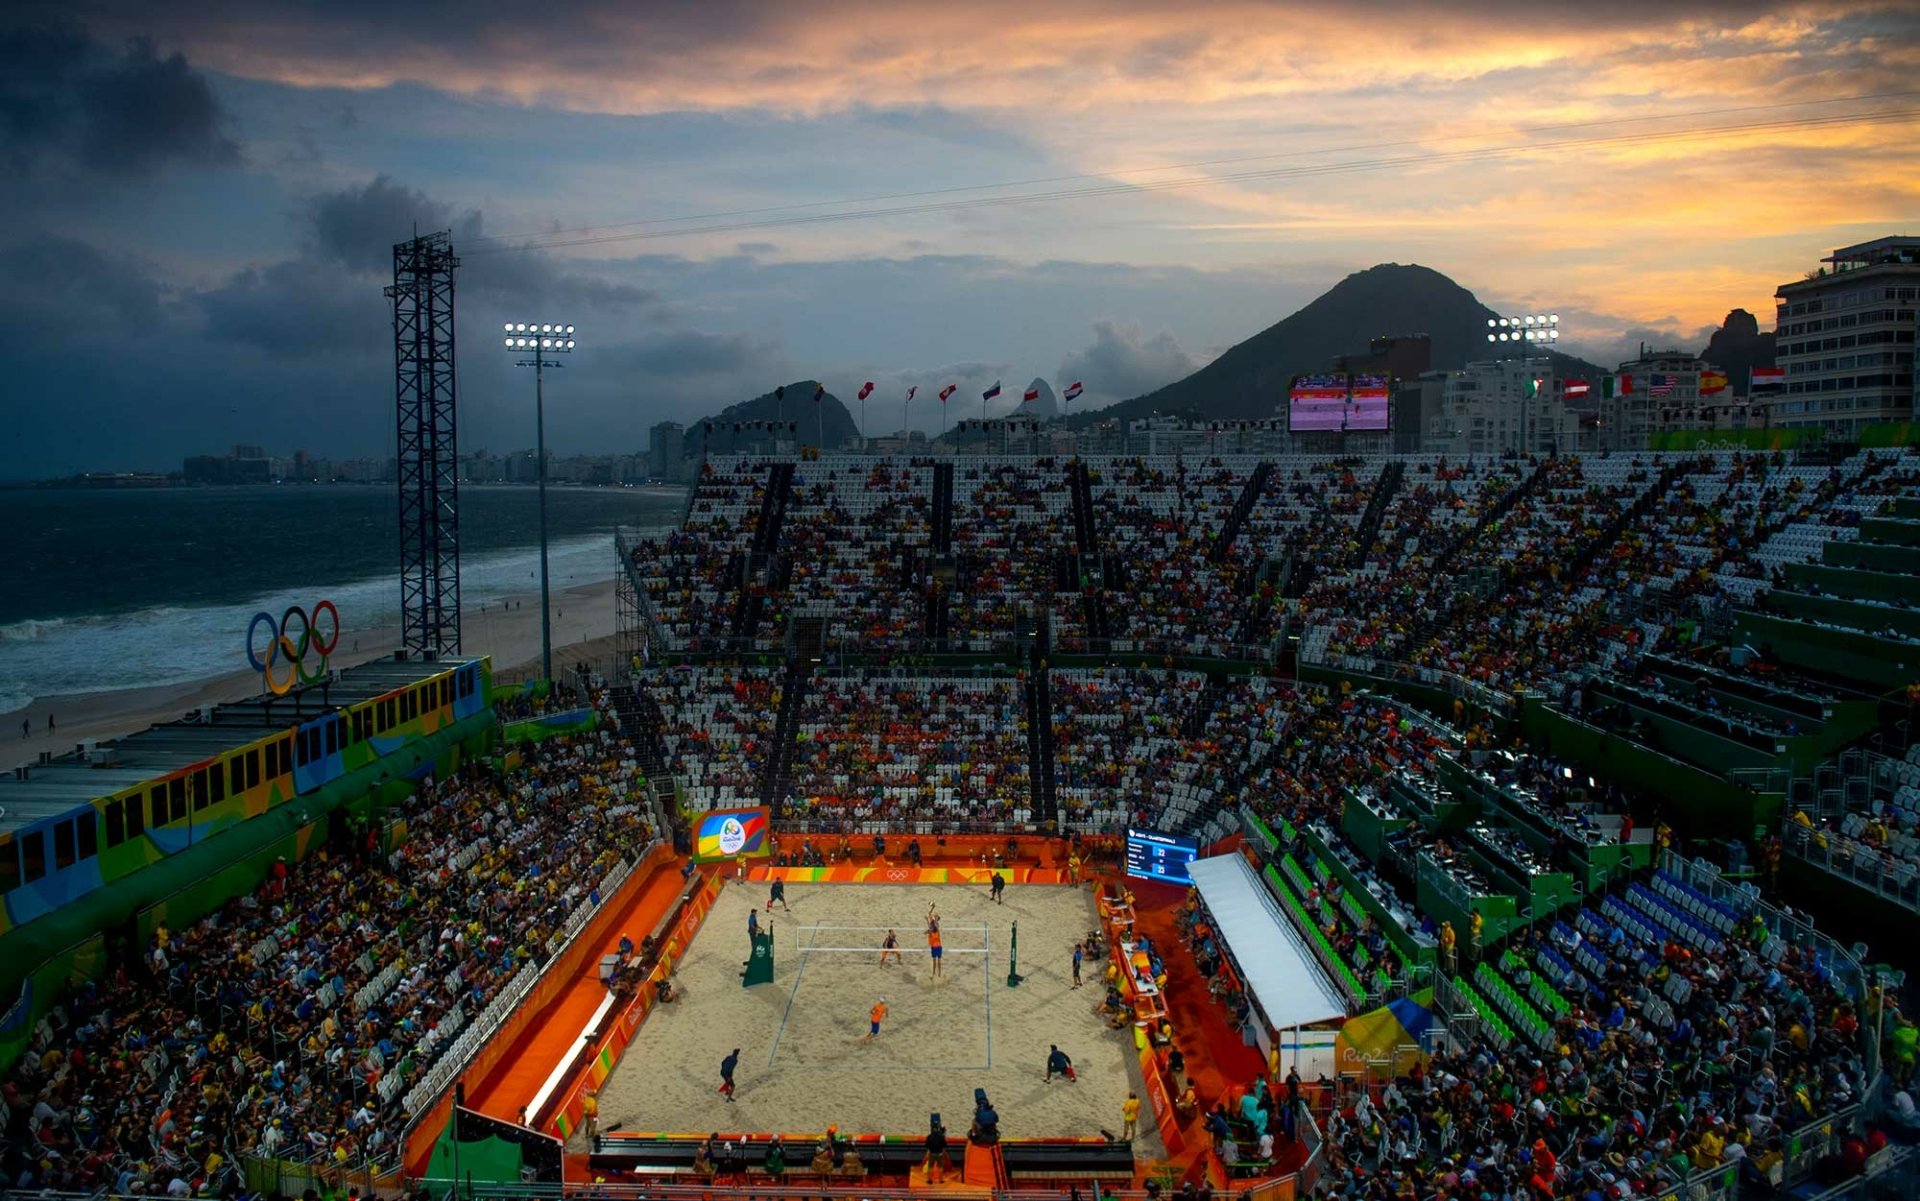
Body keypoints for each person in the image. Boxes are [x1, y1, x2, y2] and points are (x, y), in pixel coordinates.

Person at [924, 1116, 949, 1182]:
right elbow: (944, 1146)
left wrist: (927, 1154)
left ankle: (930, 1180)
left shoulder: (929, 1137)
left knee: (930, 1167)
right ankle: (941, 1180)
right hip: (940, 1154)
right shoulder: (941, 1137)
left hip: (932, 1153)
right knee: (940, 1167)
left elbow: (927, 1146)